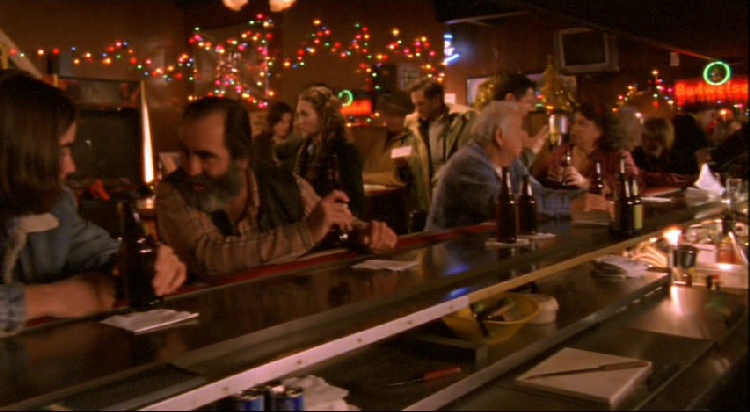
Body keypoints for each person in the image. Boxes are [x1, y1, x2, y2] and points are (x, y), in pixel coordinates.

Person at [0, 69, 187, 335]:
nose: (72, 167)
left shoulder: (55, 203)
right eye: (61, 151)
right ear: (17, 152)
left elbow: (94, 249)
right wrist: (49, 299)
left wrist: (144, 262)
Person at [155, 96, 398, 280]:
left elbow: (337, 223)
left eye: (206, 157)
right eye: (185, 153)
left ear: (242, 159)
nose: (191, 168)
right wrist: (306, 232)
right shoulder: (173, 192)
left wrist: (366, 234)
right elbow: (210, 257)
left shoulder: (285, 183)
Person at [425, 102, 577, 231]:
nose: (524, 136)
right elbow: (505, 208)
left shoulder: (511, 161)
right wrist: (573, 205)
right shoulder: (469, 163)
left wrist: (583, 196)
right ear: (499, 136)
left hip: (484, 247)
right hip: (446, 249)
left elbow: (538, 193)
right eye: (519, 130)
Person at [289, 86, 366, 217]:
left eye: (304, 114)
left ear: (323, 116)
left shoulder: (343, 150)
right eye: (298, 114)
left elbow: (356, 202)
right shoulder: (305, 148)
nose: (299, 121)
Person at [544, 103, 642, 195]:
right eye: (574, 122)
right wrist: (552, 178)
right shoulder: (561, 152)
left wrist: (587, 183)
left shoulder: (617, 155)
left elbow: (631, 183)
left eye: (582, 123)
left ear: (600, 130)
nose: (575, 128)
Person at [365, 92, 430, 229]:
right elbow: (370, 166)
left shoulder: (413, 140)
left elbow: (398, 178)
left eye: (394, 116)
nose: (388, 120)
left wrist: (364, 178)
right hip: (377, 208)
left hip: (401, 211)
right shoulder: (383, 138)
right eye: (387, 115)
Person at [405, 77, 476, 194]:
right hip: (428, 198)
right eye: (415, 105)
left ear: (436, 101)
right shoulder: (413, 125)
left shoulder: (465, 120)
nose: (417, 110)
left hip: (458, 194)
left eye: (421, 104)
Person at [489, 73, 549, 169]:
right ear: (510, 99)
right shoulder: (486, 130)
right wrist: (532, 150)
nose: (530, 109)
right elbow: (503, 171)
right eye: (528, 102)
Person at [632, 117, 695, 188]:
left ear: (665, 139)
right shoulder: (634, 158)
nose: (648, 143)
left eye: (655, 139)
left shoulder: (681, 159)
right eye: (645, 138)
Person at [254, 100, 294, 166]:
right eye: (282, 121)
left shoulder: (292, 144)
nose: (286, 126)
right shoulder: (259, 143)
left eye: (288, 122)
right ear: (273, 120)